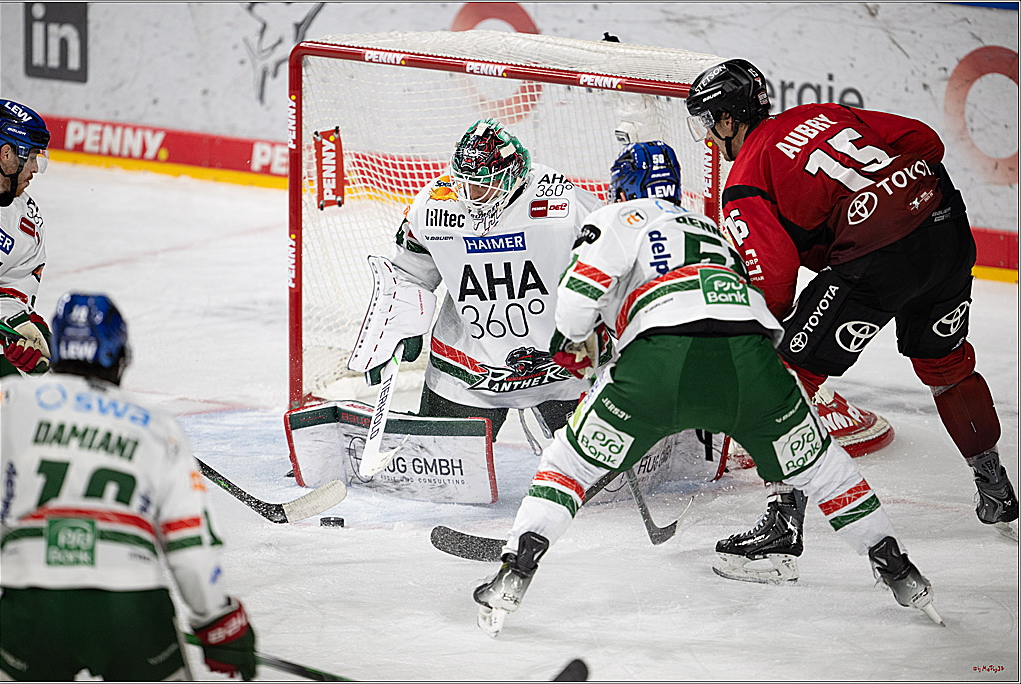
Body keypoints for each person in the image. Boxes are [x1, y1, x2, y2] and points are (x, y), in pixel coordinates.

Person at [471, 141, 942, 638]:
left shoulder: (619, 217)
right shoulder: (711, 228)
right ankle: (900, 570)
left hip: (658, 361)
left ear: (622, 188)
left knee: (568, 466)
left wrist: (572, 342)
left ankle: (514, 572)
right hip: (753, 362)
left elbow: (578, 298)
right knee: (825, 471)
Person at [684, 59, 1018, 578]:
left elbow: (774, 283)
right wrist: (891, 196)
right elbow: (927, 141)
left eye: (710, 122)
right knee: (946, 363)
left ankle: (782, 526)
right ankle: (995, 488)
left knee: (784, 378)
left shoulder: (746, 177)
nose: (709, 136)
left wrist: (754, 339)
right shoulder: (822, 112)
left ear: (728, 119)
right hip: (944, 226)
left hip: (876, 254)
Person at [0, 292, 257, 681]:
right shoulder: (158, 426)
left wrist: (8, 364)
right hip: (131, 605)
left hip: (31, 603)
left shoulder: (10, 401)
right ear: (121, 357)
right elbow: (188, 546)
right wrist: (219, 622)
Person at [347, 117, 607, 441]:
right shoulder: (434, 205)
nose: (473, 195)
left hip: (565, 365)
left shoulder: (564, 203)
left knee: (602, 467)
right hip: (466, 370)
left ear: (514, 175)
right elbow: (410, 272)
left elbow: (613, 265)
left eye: (484, 184)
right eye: (466, 183)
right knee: (440, 466)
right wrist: (397, 326)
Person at [0, 99, 53, 378]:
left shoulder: (26, 226)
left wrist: (20, 327)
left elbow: (12, 293)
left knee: (7, 382)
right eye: (31, 157)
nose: (34, 169)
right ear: (7, 153)